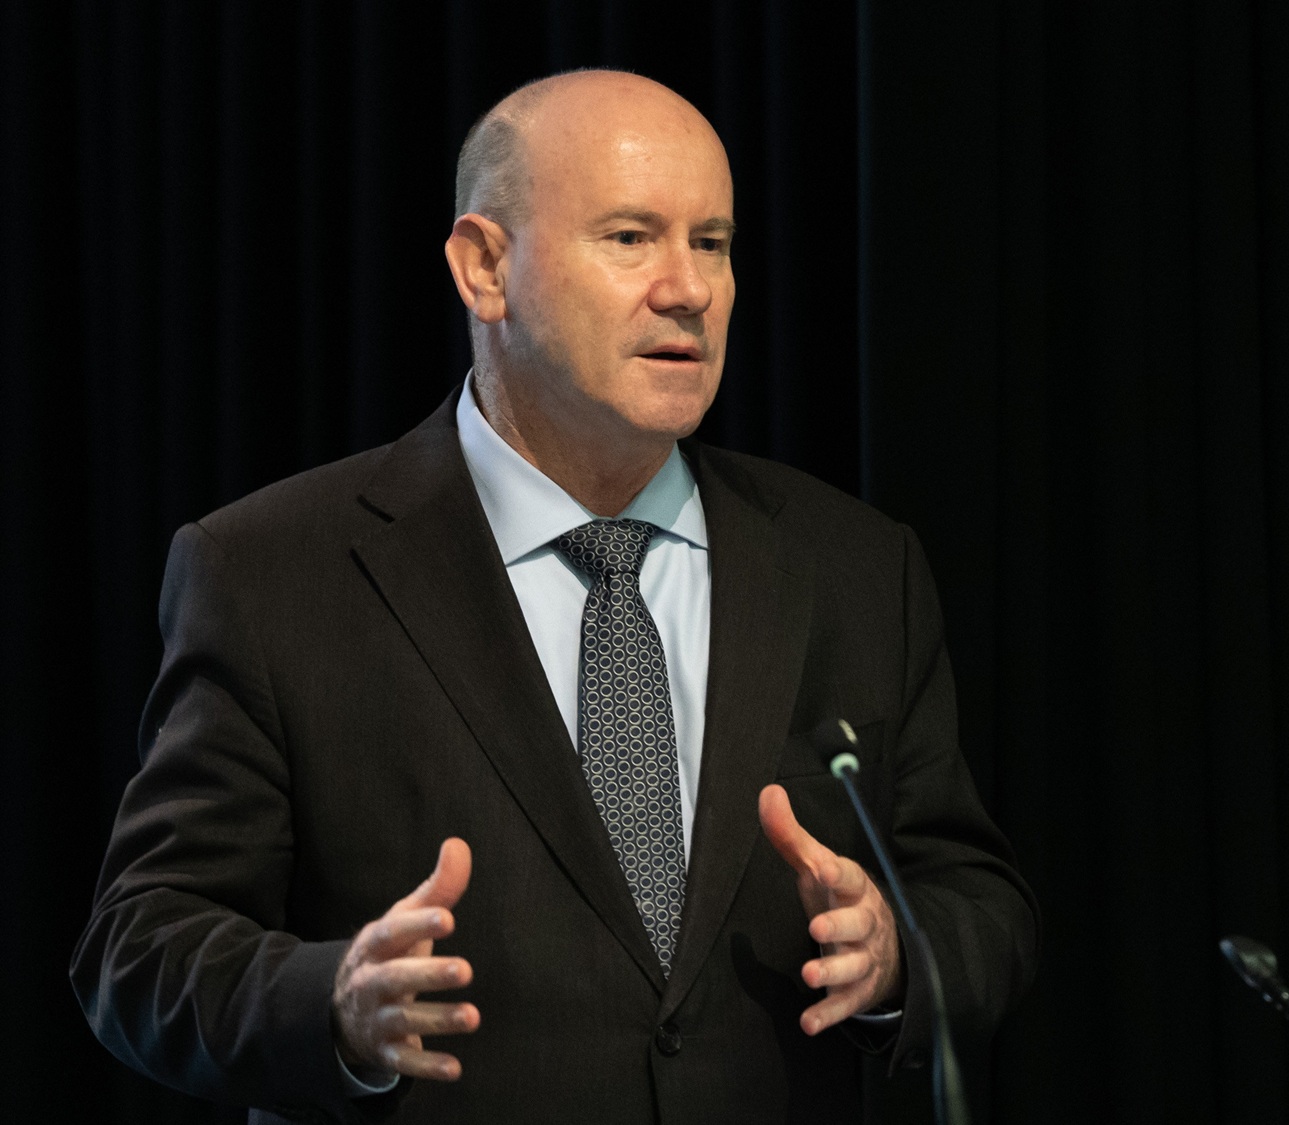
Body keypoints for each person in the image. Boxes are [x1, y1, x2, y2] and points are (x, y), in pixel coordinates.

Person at [72, 70, 1038, 1124]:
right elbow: (142, 944)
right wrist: (333, 1004)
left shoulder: (854, 565)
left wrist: (899, 952)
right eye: (630, 238)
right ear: (483, 266)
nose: (689, 289)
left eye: (711, 243)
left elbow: (979, 902)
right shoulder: (271, 572)